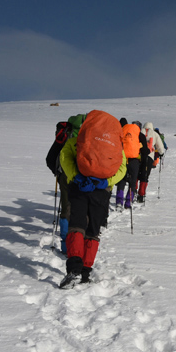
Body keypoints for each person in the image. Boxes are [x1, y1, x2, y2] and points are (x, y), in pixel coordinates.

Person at [57, 111, 126, 288]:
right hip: (101, 192)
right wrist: (105, 182)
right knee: (93, 231)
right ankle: (85, 273)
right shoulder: (114, 146)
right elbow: (121, 168)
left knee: (77, 226)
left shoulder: (78, 140)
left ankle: (74, 270)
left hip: (79, 188)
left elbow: (64, 158)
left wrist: (76, 177)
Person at [45, 115, 85, 253]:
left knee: (66, 207)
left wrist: (58, 172)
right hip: (84, 176)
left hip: (65, 175)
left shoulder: (66, 132)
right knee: (82, 209)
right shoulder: (87, 132)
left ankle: (64, 244)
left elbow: (50, 158)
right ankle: (79, 244)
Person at [115, 119, 142, 210]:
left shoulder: (123, 131)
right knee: (132, 182)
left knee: (121, 180)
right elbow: (145, 150)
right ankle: (128, 202)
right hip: (134, 160)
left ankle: (119, 202)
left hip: (123, 158)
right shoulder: (139, 134)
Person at [136, 121, 165, 204]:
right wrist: (161, 153)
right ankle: (141, 195)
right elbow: (160, 146)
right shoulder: (155, 134)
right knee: (145, 175)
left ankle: (133, 191)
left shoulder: (139, 132)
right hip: (149, 157)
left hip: (138, 156)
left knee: (137, 174)